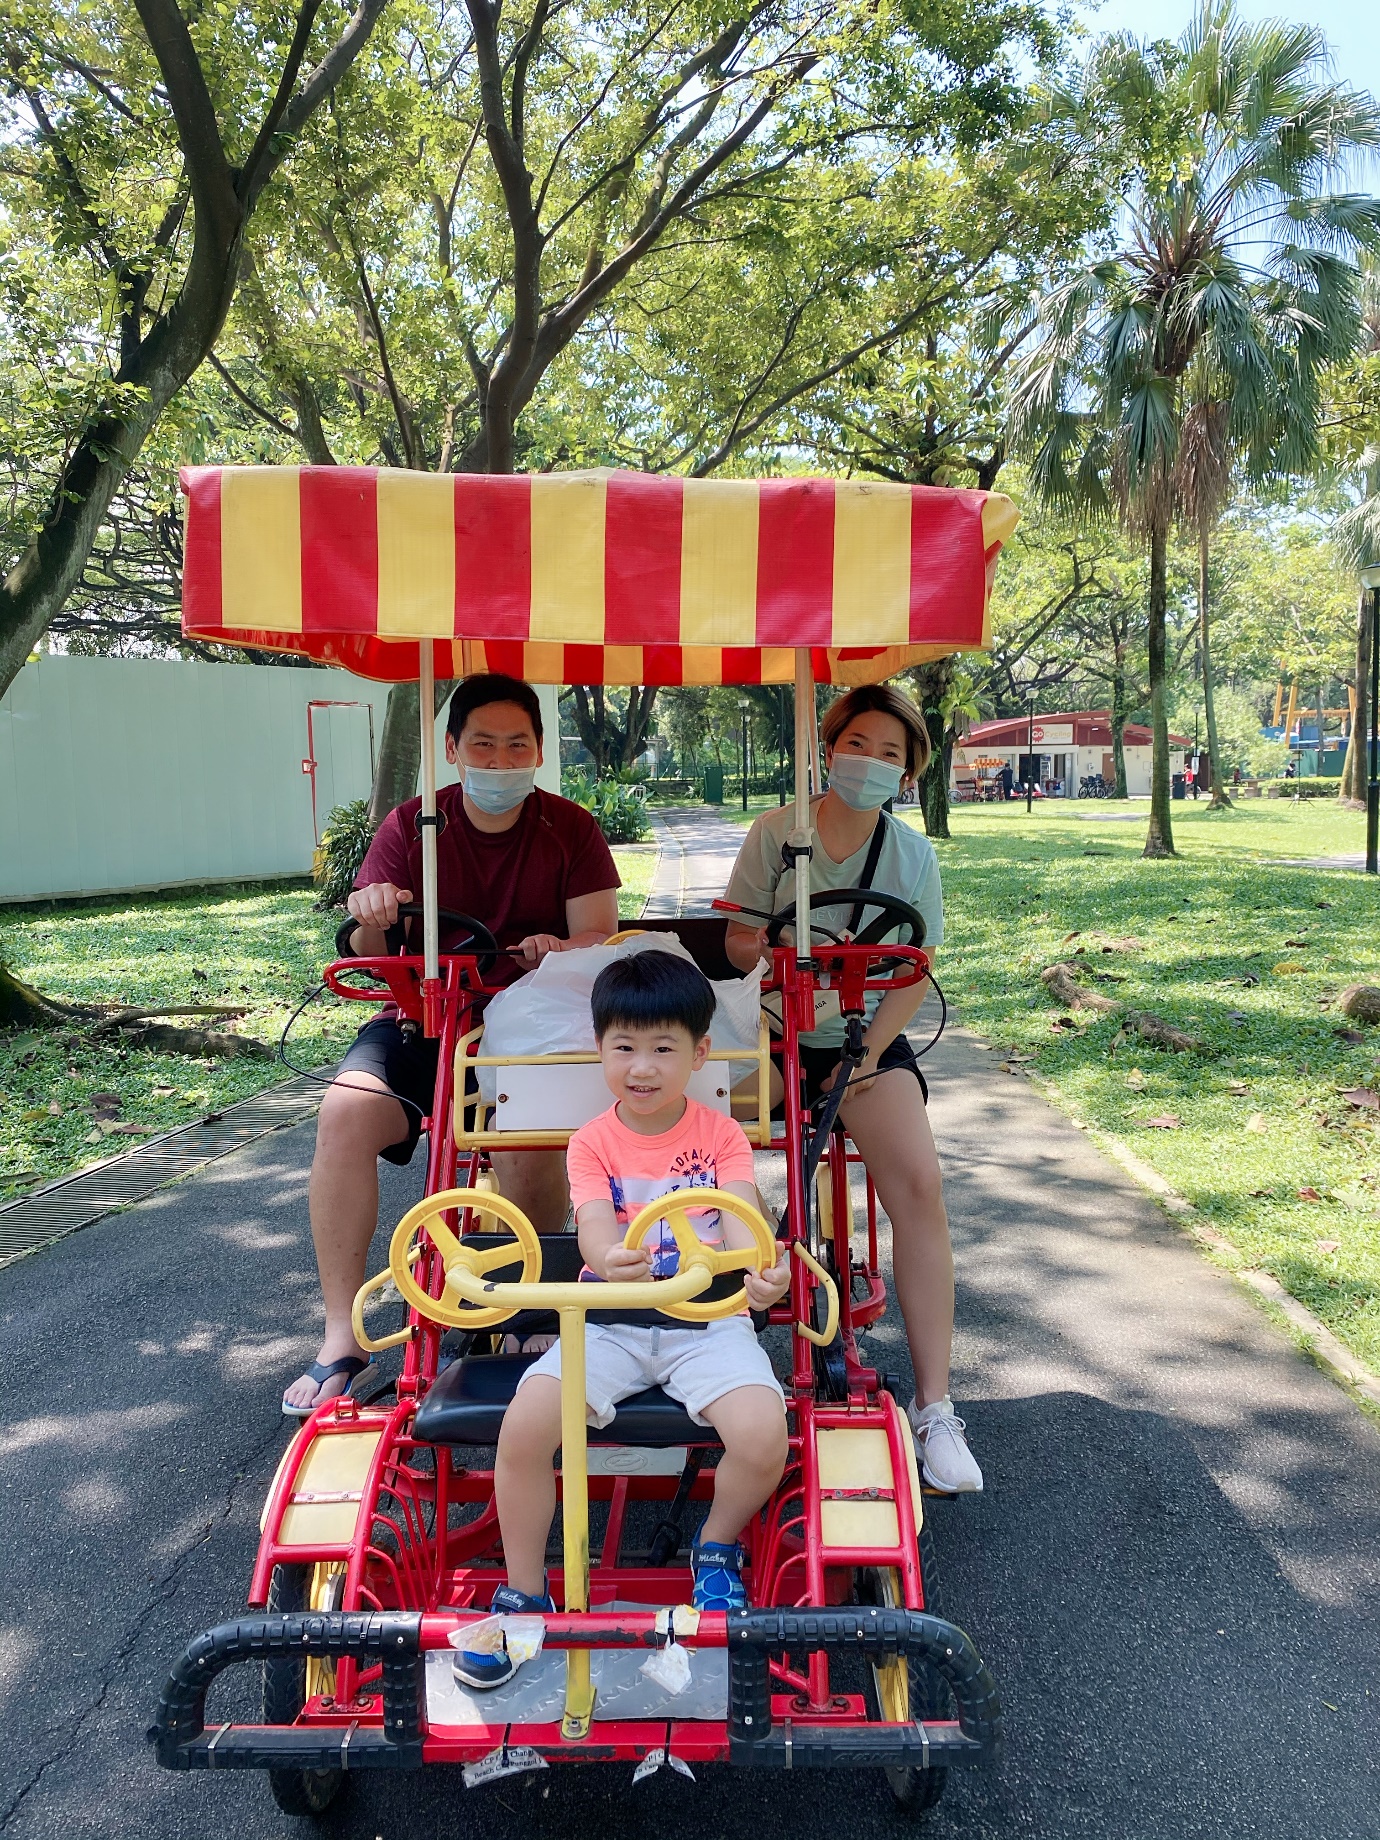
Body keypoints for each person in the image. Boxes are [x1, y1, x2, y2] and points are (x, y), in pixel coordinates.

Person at [283, 674, 621, 1415]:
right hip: (423, 1018)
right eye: (483, 746)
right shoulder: (412, 827)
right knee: (344, 1115)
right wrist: (373, 910)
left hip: (529, 1028)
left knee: (528, 1134)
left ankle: (531, 1305)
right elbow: (367, 943)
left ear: (538, 750)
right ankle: (341, 1334)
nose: (500, 763)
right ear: (452, 750)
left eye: (516, 746)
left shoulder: (571, 828)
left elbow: (601, 935)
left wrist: (558, 948)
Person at [453, 953, 791, 1685]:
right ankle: (523, 1594)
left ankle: (717, 1545)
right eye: (624, 1047)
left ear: (700, 1054)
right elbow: (597, 1230)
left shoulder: (723, 1137)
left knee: (766, 1436)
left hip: (705, 1321)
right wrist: (609, 1261)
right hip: (604, 1320)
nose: (642, 1067)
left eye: (663, 1048)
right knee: (522, 1431)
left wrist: (763, 1274)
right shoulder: (592, 1142)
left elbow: (744, 1227)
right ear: (600, 1048)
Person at [722, 683, 981, 1493]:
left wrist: (865, 1054)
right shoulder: (775, 834)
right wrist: (768, 949)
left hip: (863, 1039)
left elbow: (917, 969)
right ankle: (696, 1339)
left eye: (892, 753)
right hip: (766, 1031)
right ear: (829, 748)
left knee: (919, 1183)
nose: (871, 761)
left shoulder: (913, 856)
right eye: (859, 743)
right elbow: (733, 941)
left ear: (909, 774)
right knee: (692, 1146)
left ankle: (937, 1407)